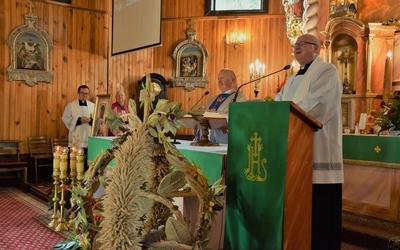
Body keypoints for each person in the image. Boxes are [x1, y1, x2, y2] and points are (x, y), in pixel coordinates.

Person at [275, 34, 343, 250]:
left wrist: (286, 116)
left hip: (319, 147)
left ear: (317, 48)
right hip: (294, 147)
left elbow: (320, 102)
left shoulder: (327, 71)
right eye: (295, 44)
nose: (297, 47)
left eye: (302, 44)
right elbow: (279, 102)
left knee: (319, 209)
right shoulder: (294, 76)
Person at [204, 68, 246, 144]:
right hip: (209, 137)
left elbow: (239, 117)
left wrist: (217, 114)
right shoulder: (214, 98)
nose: (219, 81)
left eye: (222, 78)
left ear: (232, 80)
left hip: (225, 138)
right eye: (218, 79)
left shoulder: (240, 97)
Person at [62, 85, 95, 168]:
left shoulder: (93, 106)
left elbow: (99, 120)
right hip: (76, 138)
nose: (85, 95)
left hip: (89, 137)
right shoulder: (71, 105)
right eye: (82, 93)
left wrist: (91, 120)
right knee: (76, 162)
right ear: (78, 93)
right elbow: (65, 118)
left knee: (88, 162)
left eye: (86, 93)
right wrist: (79, 120)